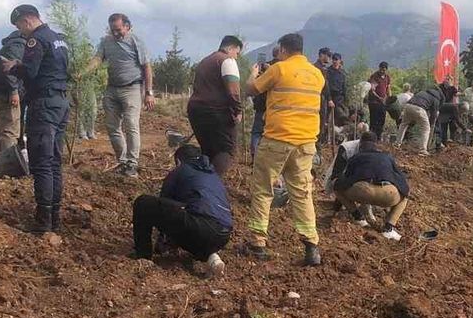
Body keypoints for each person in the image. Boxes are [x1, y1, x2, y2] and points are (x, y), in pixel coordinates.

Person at [245, 32, 326, 266]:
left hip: (277, 140)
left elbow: (252, 89)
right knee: (302, 193)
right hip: (306, 143)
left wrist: (252, 74)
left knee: (263, 189)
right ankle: (311, 246)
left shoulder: (279, 69)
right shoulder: (317, 75)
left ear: (282, 49)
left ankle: (257, 243)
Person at [2, 5, 70, 234]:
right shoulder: (59, 39)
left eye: (19, 26)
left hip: (44, 106)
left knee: (41, 163)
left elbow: (30, 72)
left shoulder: (36, 40)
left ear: (28, 20)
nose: (21, 32)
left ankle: (43, 224)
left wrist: (14, 67)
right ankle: (55, 218)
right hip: (61, 103)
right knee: (54, 163)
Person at [130, 144, 232, 276]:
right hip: (223, 235)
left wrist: (162, 241)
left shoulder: (180, 170)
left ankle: (143, 256)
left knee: (143, 203)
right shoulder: (213, 175)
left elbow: (163, 207)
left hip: (201, 226)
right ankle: (211, 256)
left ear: (178, 161)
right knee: (192, 226)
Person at [86, 14, 153, 176]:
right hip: (112, 89)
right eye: (112, 30)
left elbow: (147, 67)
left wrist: (149, 93)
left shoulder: (136, 41)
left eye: (118, 30)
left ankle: (132, 162)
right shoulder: (106, 41)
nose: (115, 33)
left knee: (131, 124)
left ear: (127, 27)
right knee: (112, 127)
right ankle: (123, 162)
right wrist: (85, 71)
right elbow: (97, 58)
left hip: (132, 88)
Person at [335, 133, 412, 241]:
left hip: (363, 191)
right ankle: (388, 228)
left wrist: (337, 199)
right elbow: (400, 178)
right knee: (404, 198)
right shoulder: (387, 157)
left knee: (337, 188)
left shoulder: (356, 157)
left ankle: (358, 218)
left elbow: (345, 181)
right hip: (388, 194)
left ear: (360, 144)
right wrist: (404, 192)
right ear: (376, 145)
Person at [186, 35, 244, 175]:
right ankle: (212, 184)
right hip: (217, 111)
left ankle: (199, 182)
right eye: (237, 53)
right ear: (231, 48)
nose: (236, 57)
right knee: (226, 149)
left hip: (196, 110)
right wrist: (238, 110)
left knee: (208, 149)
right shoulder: (227, 61)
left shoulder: (205, 61)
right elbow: (233, 90)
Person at [249, 47, 280, 162]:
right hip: (274, 108)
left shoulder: (265, 67)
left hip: (261, 105)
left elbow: (255, 85)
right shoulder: (283, 69)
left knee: (257, 133)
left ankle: (255, 158)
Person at [398, 83, 445, 155]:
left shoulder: (423, 92)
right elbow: (434, 114)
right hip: (419, 108)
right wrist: (431, 123)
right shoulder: (436, 99)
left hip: (408, 106)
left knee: (403, 124)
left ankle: (397, 143)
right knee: (426, 128)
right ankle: (423, 149)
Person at [367, 62, 392, 140]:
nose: (382, 71)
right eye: (381, 69)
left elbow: (388, 88)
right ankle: (372, 138)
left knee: (382, 120)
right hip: (374, 102)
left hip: (383, 102)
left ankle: (378, 137)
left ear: (386, 70)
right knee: (374, 120)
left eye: (384, 70)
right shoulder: (374, 76)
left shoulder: (387, 77)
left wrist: (389, 98)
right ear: (379, 68)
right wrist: (379, 98)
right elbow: (372, 90)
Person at [326, 53, 349, 130]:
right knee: (328, 119)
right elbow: (326, 86)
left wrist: (346, 100)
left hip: (340, 99)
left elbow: (344, 87)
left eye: (336, 59)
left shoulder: (342, 73)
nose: (335, 61)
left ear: (340, 61)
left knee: (342, 117)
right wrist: (329, 99)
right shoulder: (328, 72)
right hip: (330, 97)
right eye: (334, 59)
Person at [434, 81, 460, 148]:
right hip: (442, 109)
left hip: (449, 109)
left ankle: (449, 142)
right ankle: (440, 144)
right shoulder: (440, 87)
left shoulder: (452, 88)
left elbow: (456, 94)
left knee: (452, 126)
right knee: (442, 128)